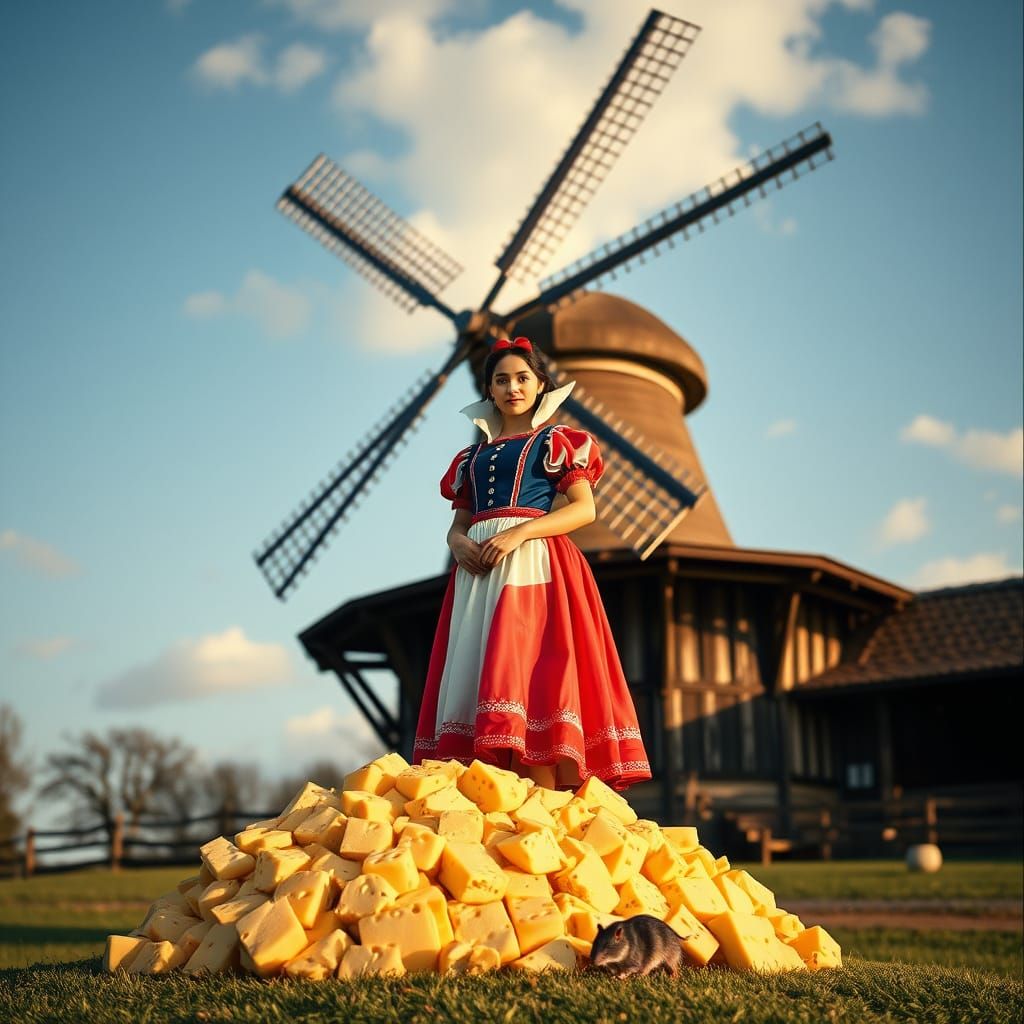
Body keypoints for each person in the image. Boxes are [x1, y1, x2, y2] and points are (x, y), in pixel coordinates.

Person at [412, 336, 652, 790]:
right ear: (489, 389)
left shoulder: (556, 442)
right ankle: (490, 790)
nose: (513, 388)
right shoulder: (470, 458)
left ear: (541, 384)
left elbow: (584, 509)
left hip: (531, 562)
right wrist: (457, 542)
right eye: (501, 380)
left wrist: (519, 533)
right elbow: (460, 522)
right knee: (478, 663)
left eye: (522, 378)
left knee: (524, 665)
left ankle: (540, 791)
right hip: (477, 572)